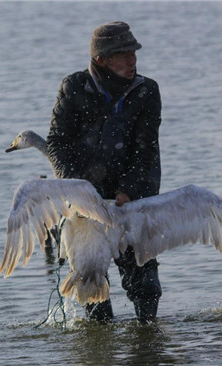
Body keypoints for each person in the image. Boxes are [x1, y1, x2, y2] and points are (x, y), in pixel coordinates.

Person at [46, 21, 162, 323]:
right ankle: (100, 333)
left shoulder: (147, 91)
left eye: (133, 52)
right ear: (102, 60)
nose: (132, 60)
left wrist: (130, 190)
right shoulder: (74, 87)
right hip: (85, 207)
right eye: (123, 54)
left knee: (145, 284)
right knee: (90, 283)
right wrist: (79, 189)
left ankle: (147, 337)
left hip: (131, 201)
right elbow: (57, 144)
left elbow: (146, 149)